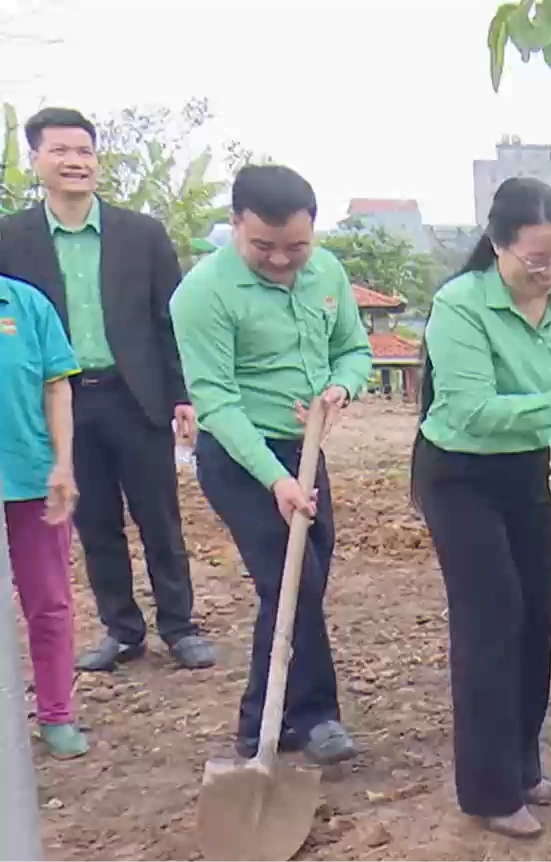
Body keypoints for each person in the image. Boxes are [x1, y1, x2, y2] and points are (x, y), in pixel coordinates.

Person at [409, 177, 551, 839]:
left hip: (523, 472)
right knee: (490, 618)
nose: (549, 273)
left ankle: (524, 764)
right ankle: (488, 789)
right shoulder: (461, 306)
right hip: (460, 473)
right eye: (536, 259)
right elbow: (472, 409)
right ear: (498, 244)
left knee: (534, 617)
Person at [169, 164, 372, 765]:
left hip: (303, 449)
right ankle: (312, 716)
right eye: (264, 246)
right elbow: (217, 401)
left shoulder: (327, 271)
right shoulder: (202, 294)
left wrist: (342, 387)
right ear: (234, 226)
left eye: (297, 247)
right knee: (293, 580)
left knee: (298, 584)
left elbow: (353, 350)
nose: (283, 260)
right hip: (240, 456)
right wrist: (276, 480)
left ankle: (266, 718)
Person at [0, 107, 214, 672]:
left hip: (135, 394)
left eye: (85, 152)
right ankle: (122, 629)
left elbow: (169, 321)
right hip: (63, 401)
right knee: (93, 521)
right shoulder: (10, 239)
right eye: (60, 151)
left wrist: (181, 395)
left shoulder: (141, 234)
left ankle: (179, 626)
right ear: (37, 161)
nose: (75, 162)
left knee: (159, 517)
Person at [0, 272, 87, 758]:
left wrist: (63, 463)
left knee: (49, 603)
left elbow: (57, 390)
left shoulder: (26, 303)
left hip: (30, 476)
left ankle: (56, 713)